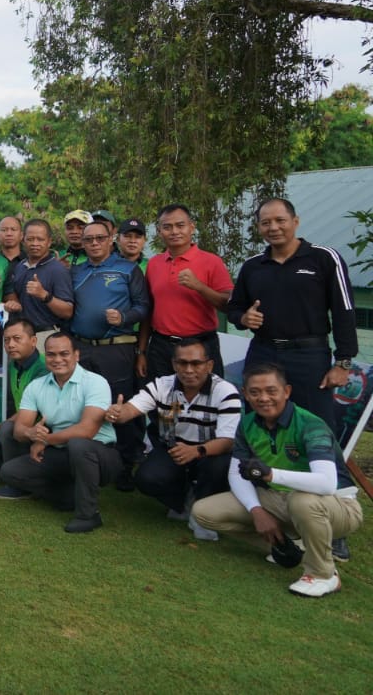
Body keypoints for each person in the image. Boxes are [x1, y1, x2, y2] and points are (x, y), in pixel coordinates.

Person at [192, 363, 363, 597]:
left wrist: (271, 474)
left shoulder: (311, 424)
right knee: (204, 512)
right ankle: (289, 545)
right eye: (255, 392)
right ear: (245, 394)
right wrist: (256, 511)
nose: (263, 398)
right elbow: (236, 473)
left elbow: (326, 483)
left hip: (338, 505)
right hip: (279, 498)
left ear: (287, 391)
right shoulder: (247, 423)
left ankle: (323, 575)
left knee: (303, 501)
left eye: (271, 391)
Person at [227, 197, 358, 444]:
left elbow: (345, 311)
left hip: (309, 355)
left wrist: (343, 362)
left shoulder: (324, 258)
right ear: (259, 227)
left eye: (280, 220)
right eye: (266, 223)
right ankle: (260, 468)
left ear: (295, 222)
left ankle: (324, 470)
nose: (273, 227)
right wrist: (243, 318)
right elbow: (234, 308)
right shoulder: (252, 266)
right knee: (259, 421)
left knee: (316, 425)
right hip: (263, 352)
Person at [105, 338, 241, 540]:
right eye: (182, 363)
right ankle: (184, 503)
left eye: (196, 363)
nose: (188, 369)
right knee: (147, 478)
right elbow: (130, 410)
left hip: (209, 453)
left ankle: (203, 511)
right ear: (174, 364)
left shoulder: (225, 391)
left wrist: (196, 451)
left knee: (220, 467)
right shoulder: (162, 385)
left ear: (209, 365)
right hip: (172, 449)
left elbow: (228, 442)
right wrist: (118, 413)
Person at [0, 332, 120, 532]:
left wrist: (46, 440)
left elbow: (87, 431)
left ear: (76, 355)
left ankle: (88, 515)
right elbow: (19, 429)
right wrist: (30, 433)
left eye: (64, 354)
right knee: (10, 472)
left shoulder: (95, 382)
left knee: (79, 444)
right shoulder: (37, 386)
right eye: (51, 354)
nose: (57, 359)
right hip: (62, 451)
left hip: (99, 454)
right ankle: (69, 495)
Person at [69, 220, 151, 489]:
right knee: (82, 404)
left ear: (110, 239)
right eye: (88, 239)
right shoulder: (76, 271)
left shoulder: (128, 269)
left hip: (116, 348)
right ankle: (86, 461)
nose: (94, 243)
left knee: (120, 404)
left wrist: (124, 317)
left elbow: (144, 307)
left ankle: (127, 465)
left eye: (99, 238)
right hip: (82, 347)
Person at [141, 204, 232, 380]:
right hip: (162, 346)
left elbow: (228, 305)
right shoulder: (154, 264)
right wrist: (142, 351)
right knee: (162, 396)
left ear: (192, 227)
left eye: (180, 225)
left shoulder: (211, 261)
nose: (174, 231)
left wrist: (199, 287)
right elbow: (148, 310)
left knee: (206, 396)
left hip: (201, 345)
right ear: (159, 231)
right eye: (167, 227)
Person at [0, 318, 48, 476]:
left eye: (17, 339)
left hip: (40, 430)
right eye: (6, 340)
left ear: (33, 341)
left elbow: (35, 409)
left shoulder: (43, 368)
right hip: (19, 427)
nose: (11, 345)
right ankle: (17, 467)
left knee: (6, 428)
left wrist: (3, 425)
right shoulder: (13, 364)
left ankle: (16, 477)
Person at [2, 219, 74, 344]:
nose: (35, 243)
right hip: (21, 335)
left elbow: (67, 312)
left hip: (46, 336)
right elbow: (15, 297)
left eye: (40, 239)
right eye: (30, 239)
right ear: (23, 240)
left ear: (49, 242)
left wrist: (44, 295)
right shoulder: (20, 266)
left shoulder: (58, 270)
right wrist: (13, 304)